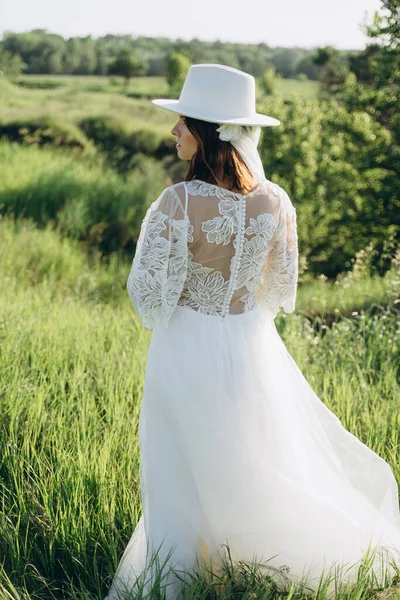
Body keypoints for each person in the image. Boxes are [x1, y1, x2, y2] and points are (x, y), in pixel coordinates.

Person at [106, 64, 400, 600]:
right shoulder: (277, 202)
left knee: (183, 462)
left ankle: (184, 579)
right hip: (250, 347)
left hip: (187, 348)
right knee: (246, 453)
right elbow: (277, 289)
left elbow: (148, 297)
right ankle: (246, 566)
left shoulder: (177, 203)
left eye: (181, 123)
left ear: (206, 130)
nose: (173, 132)